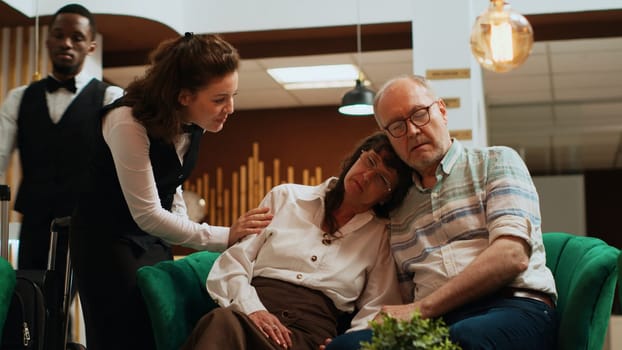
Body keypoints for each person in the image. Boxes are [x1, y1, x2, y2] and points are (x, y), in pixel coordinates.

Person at [69, 33, 272, 350]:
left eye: (232, 96)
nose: (230, 108)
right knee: (124, 336)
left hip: (152, 237)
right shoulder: (127, 121)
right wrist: (226, 235)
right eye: (219, 99)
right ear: (183, 96)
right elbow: (148, 213)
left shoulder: (196, 121)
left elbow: (171, 183)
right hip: (106, 241)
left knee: (164, 331)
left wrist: (181, 228)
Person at [324, 75, 559, 350]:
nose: (411, 131)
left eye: (419, 114)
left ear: (442, 111)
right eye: (397, 126)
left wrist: (422, 309)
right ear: (389, 137)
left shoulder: (495, 162)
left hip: (512, 306)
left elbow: (512, 256)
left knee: (465, 337)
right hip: (435, 323)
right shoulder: (396, 207)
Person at [181, 132, 414, 350]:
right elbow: (234, 262)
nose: (366, 176)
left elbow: (378, 305)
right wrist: (253, 310)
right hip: (250, 316)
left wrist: (346, 345)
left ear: (388, 196)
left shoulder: (380, 234)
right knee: (221, 322)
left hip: (311, 337)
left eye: (382, 179)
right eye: (370, 161)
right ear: (357, 156)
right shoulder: (286, 197)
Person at [0, 3, 124, 270]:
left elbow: (123, 166)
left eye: (77, 37)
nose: (66, 43)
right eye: (58, 35)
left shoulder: (111, 98)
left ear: (91, 46)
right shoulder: (18, 98)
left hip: (88, 223)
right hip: (34, 221)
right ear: (47, 41)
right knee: (30, 300)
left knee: (71, 302)